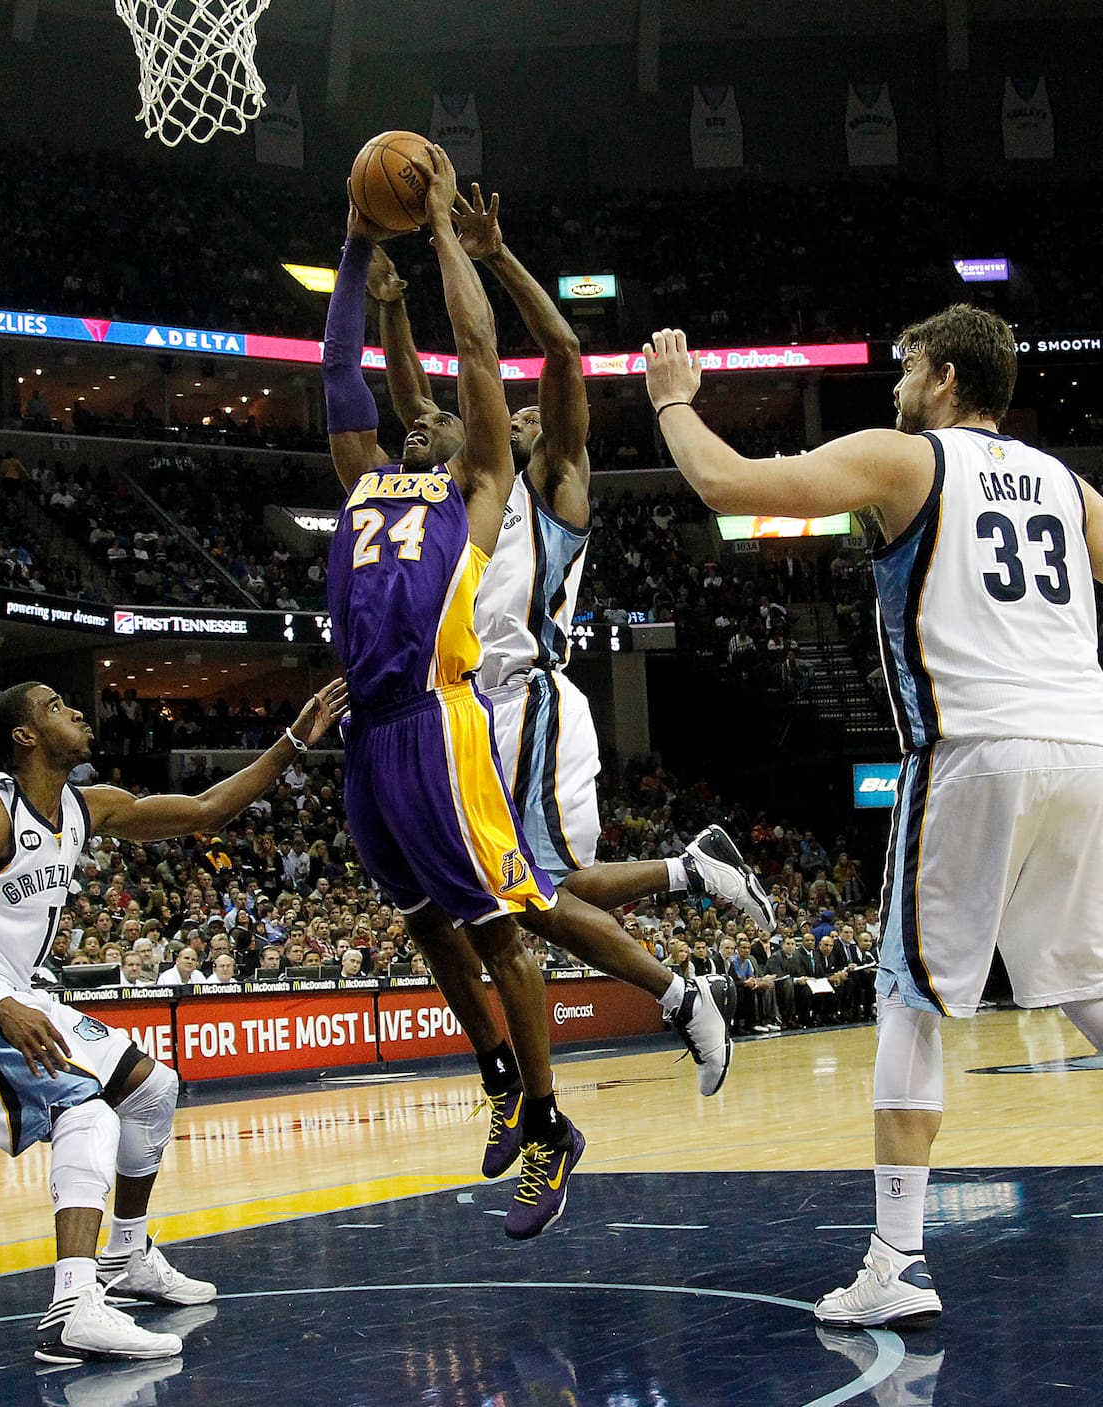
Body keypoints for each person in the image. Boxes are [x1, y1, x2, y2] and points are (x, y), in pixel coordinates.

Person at [644, 303, 1103, 1328]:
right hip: (1085, 745)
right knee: (1088, 982)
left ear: (943, 380)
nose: (896, 383)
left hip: (978, 750)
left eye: (906, 366)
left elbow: (728, 484)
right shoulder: (1070, 486)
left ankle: (895, 1263)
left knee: (906, 999)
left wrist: (673, 404)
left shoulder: (910, 460)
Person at [322, 146, 722, 1240]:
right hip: (378, 730)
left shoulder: (494, 485)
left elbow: (491, 360)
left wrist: (451, 235)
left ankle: (576, 1090)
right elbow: (359, 384)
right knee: (431, 919)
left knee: (524, 899)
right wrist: (361, 261)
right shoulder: (376, 481)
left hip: (483, 707)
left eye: (443, 421)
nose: (424, 417)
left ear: (471, 445)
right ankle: (503, 1072)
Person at [0, 675, 345, 1362]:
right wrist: (2, 1003)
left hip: (10, 989)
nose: (76, 709)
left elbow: (204, 809)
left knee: (151, 1088)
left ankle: (125, 1258)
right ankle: (71, 1308)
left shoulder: (85, 806)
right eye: (54, 705)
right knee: (89, 1114)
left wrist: (293, 741)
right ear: (24, 736)